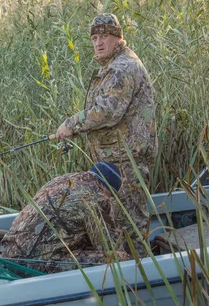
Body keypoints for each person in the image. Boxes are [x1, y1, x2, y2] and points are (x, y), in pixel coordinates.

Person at [55, 13, 158, 255]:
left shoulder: (123, 68)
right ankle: (125, 276)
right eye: (94, 38)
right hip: (114, 161)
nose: (98, 43)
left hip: (127, 163)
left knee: (129, 227)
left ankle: (141, 279)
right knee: (118, 227)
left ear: (117, 38)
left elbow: (106, 111)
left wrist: (72, 124)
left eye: (104, 37)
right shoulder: (113, 67)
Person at [1, 162, 131, 274]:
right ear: (105, 188)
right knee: (121, 259)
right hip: (34, 264)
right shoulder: (96, 198)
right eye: (111, 195)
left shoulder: (61, 180)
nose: (109, 199)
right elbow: (106, 246)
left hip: (8, 253)